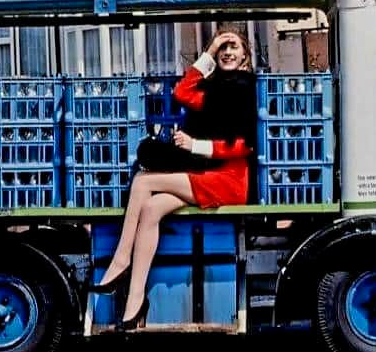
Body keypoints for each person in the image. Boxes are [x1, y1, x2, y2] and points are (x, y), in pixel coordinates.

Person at [90, 30, 256, 330]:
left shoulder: (245, 88)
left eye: (233, 46)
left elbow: (245, 144)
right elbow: (182, 92)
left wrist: (196, 146)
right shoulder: (213, 89)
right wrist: (210, 49)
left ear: (245, 54)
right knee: (151, 209)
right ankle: (135, 300)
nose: (227, 52)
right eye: (222, 49)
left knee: (143, 181)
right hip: (207, 174)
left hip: (228, 179)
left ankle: (121, 260)